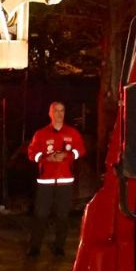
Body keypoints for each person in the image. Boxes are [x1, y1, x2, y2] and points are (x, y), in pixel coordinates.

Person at [27, 101, 86, 258]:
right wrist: (47, 158)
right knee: (40, 215)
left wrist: (68, 155)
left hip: (65, 181)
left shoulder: (72, 133)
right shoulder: (41, 134)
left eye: (62, 111)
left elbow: (81, 150)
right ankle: (34, 247)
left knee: (62, 216)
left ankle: (59, 246)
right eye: (56, 111)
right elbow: (32, 154)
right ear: (50, 113)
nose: (59, 114)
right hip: (45, 181)